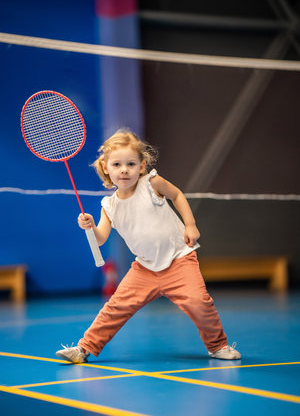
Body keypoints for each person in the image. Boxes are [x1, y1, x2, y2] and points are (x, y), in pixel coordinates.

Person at [56, 130, 241, 363]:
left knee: (198, 302)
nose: (124, 169)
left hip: (179, 260)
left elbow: (177, 195)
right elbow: (101, 237)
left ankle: (218, 346)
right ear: (106, 167)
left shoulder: (151, 183)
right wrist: (90, 227)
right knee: (115, 308)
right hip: (144, 269)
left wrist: (190, 225)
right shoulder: (109, 205)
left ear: (142, 166)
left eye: (131, 164)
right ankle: (83, 349)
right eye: (117, 164)